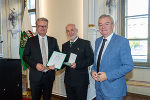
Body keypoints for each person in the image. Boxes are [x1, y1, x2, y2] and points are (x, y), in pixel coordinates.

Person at [91, 14, 134, 100]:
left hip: (114, 90)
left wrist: (107, 75)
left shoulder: (122, 41)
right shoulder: (97, 41)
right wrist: (93, 71)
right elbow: (97, 62)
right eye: (100, 24)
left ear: (113, 25)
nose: (103, 27)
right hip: (98, 88)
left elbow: (128, 66)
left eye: (107, 23)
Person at [23, 17, 60, 100]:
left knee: (47, 97)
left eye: (45, 26)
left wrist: (56, 65)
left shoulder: (53, 40)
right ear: (36, 27)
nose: (43, 28)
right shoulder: (30, 41)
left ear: (47, 27)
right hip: (35, 76)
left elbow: (58, 55)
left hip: (49, 75)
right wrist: (35, 65)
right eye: (40, 26)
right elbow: (25, 56)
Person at [62, 24, 94, 100]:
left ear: (76, 31)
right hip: (68, 80)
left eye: (72, 30)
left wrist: (78, 64)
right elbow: (64, 61)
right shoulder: (64, 45)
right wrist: (56, 66)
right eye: (68, 31)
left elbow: (91, 59)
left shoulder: (85, 43)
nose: (70, 32)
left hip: (81, 81)